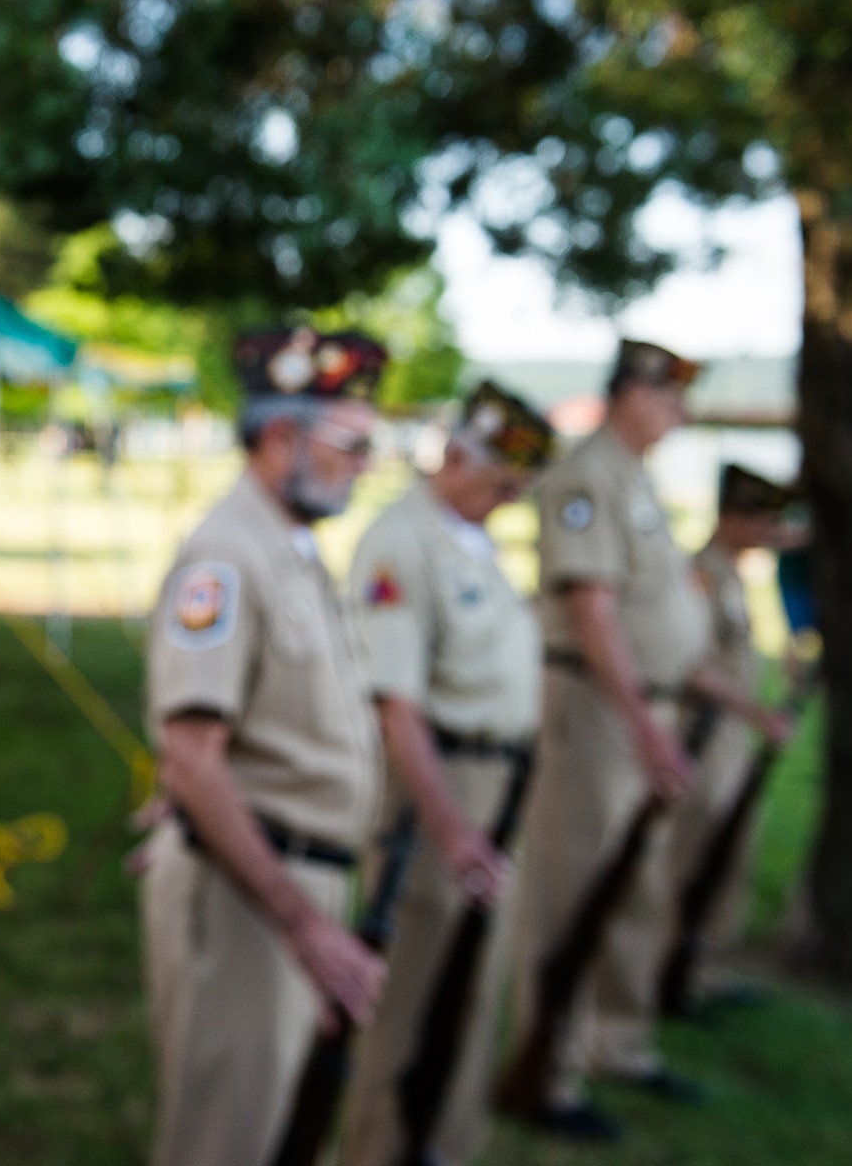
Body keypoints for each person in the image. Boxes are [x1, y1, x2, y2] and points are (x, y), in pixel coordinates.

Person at [140, 326, 390, 1166]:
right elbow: (192, 756)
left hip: (290, 878)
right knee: (228, 1139)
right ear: (283, 437)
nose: (366, 462)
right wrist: (306, 927)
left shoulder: (291, 544)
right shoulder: (228, 554)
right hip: (250, 891)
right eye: (352, 443)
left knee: (281, 1129)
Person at [338, 382, 560, 1166]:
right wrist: (451, 824)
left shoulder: (471, 535)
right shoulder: (402, 541)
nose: (508, 499)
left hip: (493, 786)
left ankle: (444, 1141)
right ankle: (379, 1148)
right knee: (413, 993)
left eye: (517, 489)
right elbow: (397, 704)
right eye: (500, 482)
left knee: (471, 988)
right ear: (458, 454)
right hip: (439, 789)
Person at [502, 339, 711, 1140]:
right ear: (627, 393)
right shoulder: (586, 477)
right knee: (573, 887)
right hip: (595, 708)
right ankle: (546, 1069)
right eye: (667, 397)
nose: (679, 412)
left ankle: (617, 1042)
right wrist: (644, 725)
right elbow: (592, 611)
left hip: (636, 708)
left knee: (634, 883)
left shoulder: (632, 477)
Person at [657, 463, 803, 1014]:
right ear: (734, 517)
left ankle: (705, 966)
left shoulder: (735, 573)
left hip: (732, 735)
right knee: (694, 854)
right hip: (706, 731)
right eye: (764, 519)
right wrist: (756, 713)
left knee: (730, 855)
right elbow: (693, 664)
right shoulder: (701, 572)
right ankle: (672, 969)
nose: (772, 531)